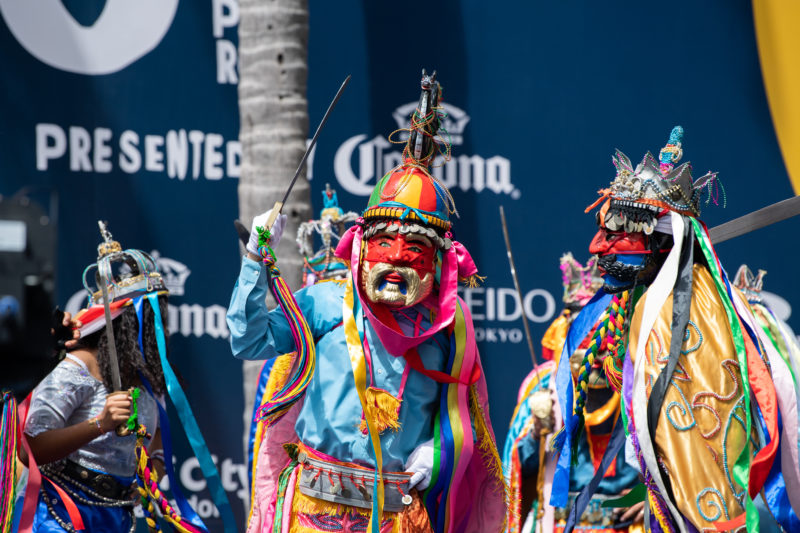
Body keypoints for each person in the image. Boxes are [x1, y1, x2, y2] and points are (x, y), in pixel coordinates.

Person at [228, 71, 506, 533]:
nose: (397, 258)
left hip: (395, 516)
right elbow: (247, 338)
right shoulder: (324, 301)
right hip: (313, 511)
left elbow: (462, 419)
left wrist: (437, 455)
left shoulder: (448, 330)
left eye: (414, 248)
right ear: (360, 248)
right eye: (385, 244)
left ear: (438, 264)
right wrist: (256, 260)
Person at [557, 126, 800, 532]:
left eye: (618, 233)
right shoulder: (653, 308)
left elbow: (709, 449)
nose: (597, 247)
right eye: (603, 230)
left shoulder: (689, 316)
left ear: (663, 243)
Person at [23, 225, 167, 532]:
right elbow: (29, 447)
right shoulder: (77, 367)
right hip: (61, 515)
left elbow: (155, 445)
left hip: (117, 518)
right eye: (148, 317)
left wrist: (150, 474)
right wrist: (100, 423)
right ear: (124, 323)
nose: (158, 327)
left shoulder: (143, 375)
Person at [504, 254, 642, 533]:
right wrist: (537, 431)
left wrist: (651, 499)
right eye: (585, 325)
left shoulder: (640, 379)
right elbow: (517, 467)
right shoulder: (545, 382)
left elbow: (672, 458)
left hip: (628, 524)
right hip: (558, 523)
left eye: (603, 324)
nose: (595, 340)